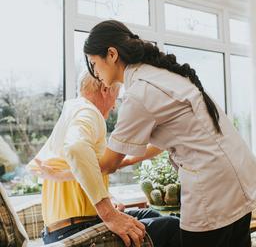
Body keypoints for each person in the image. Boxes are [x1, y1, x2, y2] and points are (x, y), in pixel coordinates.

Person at [82, 19, 256, 247]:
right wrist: (122, 161)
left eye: (94, 63)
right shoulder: (160, 75)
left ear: (112, 54)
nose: (95, 72)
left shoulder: (139, 92)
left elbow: (108, 163)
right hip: (239, 176)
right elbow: (158, 145)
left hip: (212, 187)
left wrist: (71, 163)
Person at [27, 72, 181, 247]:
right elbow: (76, 148)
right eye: (117, 95)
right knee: (172, 226)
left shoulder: (72, 111)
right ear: (105, 89)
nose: (115, 105)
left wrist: (108, 197)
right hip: (75, 230)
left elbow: (96, 166)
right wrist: (108, 213)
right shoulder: (89, 112)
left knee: (152, 216)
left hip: (60, 230)